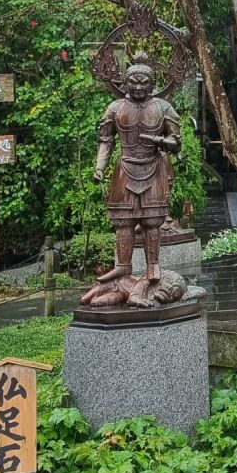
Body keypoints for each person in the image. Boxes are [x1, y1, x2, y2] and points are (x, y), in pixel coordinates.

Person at [81, 53, 181, 305]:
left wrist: (162, 141)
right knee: (123, 221)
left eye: (143, 83)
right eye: (133, 82)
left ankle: (153, 265)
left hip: (153, 166)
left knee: (152, 221)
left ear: (152, 84)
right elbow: (106, 140)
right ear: (125, 83)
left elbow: (176, 143)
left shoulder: (163, 107)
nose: (138, 87)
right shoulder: (115, 108)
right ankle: (123, 266)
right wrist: (99, 168)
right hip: (125, 166)